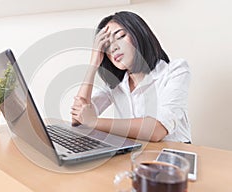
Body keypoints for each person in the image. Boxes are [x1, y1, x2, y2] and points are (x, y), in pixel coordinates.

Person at [70, 11, 191, 143]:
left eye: (120, 36)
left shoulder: (175, 70)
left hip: (173, 155)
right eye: (106, 46)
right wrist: (93, 64)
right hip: (135, 154)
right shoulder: (117, 84)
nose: (113, 48)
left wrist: (93, 122)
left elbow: (156, 130)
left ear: (139, 34)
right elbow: (78, 120)